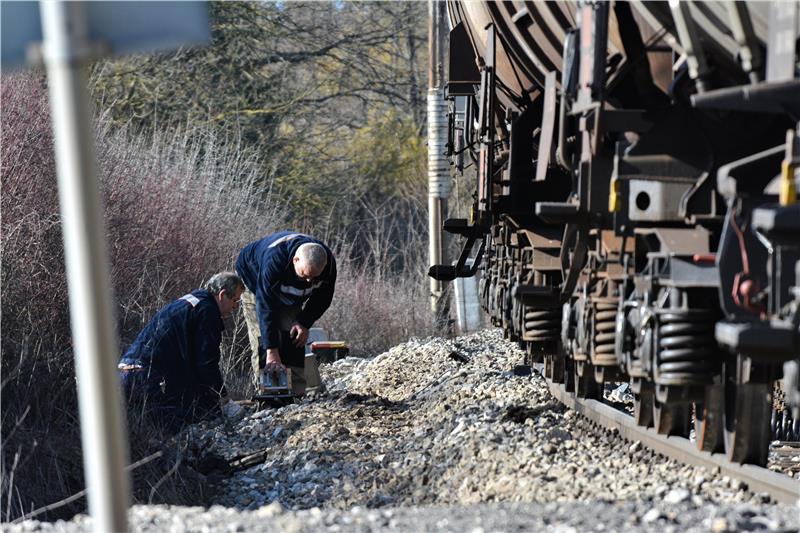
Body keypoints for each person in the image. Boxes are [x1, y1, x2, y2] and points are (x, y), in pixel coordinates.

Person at [118, 272, 245, 432]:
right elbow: (206, 363)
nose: (235, 307)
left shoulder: (193, 300)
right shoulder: (207, 312)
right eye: (235, 301)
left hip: (129, 370)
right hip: (150, 379)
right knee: (177, 431)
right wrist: (223, 399)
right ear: (222, 295)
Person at [236, 231, 336, 396]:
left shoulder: (327, 263)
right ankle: (269, 393)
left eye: (314, 277)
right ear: (295, 260)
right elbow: (265, 305)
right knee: (263, 338)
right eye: (305, 275)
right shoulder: (275, 259)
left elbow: (323, 299)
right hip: (254, 281)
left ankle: (296, 392)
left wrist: (304, 322)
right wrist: (271, 350)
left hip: (289, 293)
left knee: (294, 334)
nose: (309, 281)